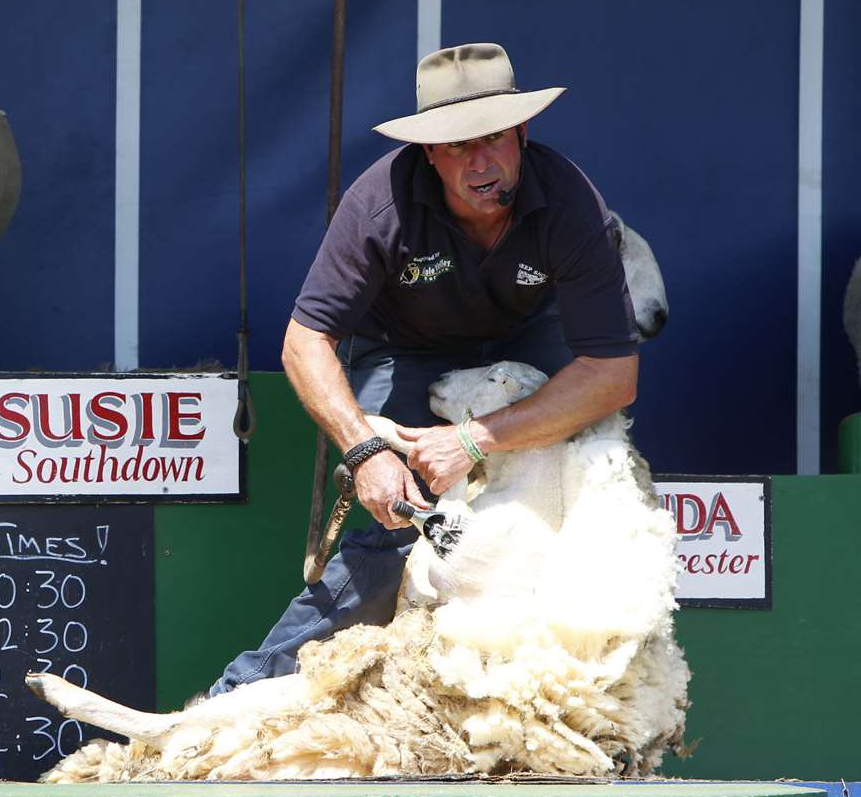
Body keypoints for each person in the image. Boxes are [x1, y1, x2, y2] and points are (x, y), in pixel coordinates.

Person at [211, 42, 639, 695]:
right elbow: (304, 341)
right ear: (427, 153)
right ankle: (241, 696)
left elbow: (610, 373)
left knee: (587, 496)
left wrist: (474, 439)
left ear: (521, 134)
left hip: (530, 338)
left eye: (493, 139)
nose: (479, 161)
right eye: (456, 145)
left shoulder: (572, 202)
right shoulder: (378, 203)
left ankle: (588, 706)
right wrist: (364, 452)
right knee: (398, 522)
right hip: (403, 347)